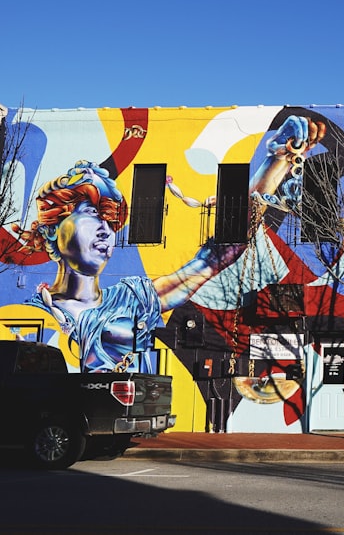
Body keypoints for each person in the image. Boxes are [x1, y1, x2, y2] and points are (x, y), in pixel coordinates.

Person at [18, 116, 324, 372]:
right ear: (52, 230)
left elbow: (209, 261)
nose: (104, 230)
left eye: (110, 221)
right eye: (89, 214)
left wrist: (276, 162)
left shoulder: (131, 298)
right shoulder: (31, 312)